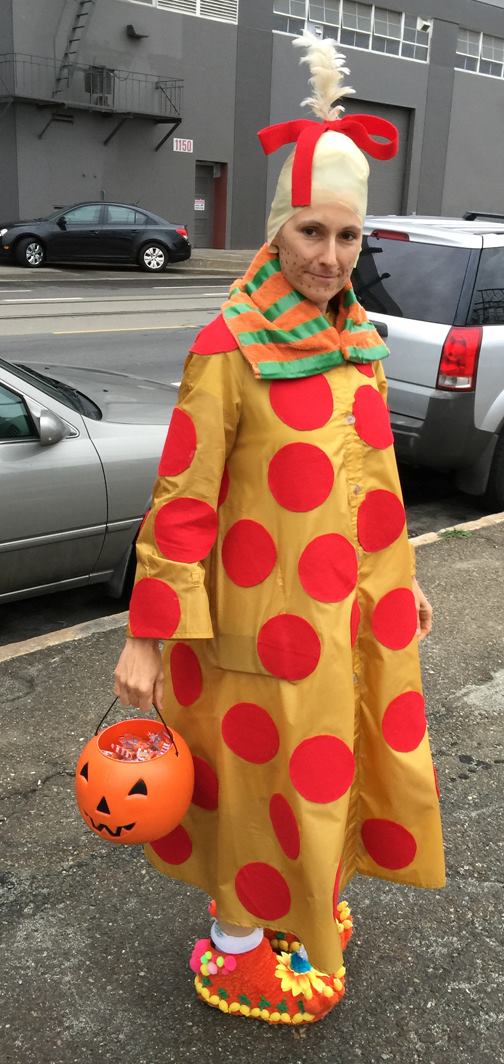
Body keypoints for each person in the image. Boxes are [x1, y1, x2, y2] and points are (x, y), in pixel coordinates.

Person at [114, 32, 445, 1026]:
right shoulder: (230, 345)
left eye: (348, 237)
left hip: (344, 617)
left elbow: (374, 478)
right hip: (254, 628)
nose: (330, 258)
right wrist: (145, 631)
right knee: (253, 777)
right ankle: (235, 943)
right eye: (311, 231)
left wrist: (405, 573)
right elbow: (183, 496)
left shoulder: (357, 339)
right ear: (275, 228)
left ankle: (299, 897)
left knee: (326, 760)